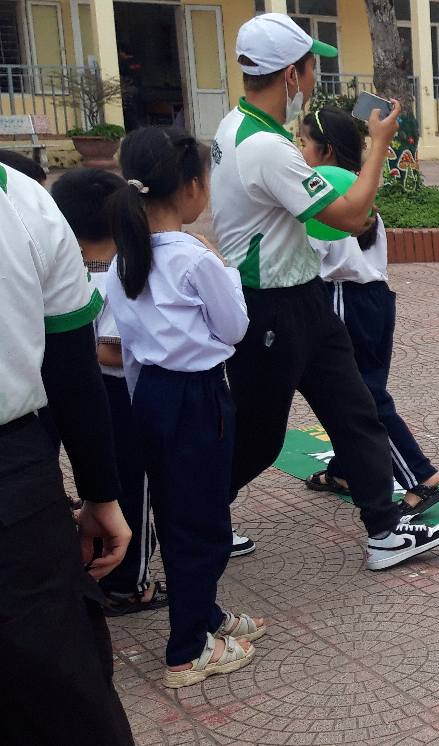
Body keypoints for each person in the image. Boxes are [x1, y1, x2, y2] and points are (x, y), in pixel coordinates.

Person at [212, 12, 439, 571]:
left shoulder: (237, 127)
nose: (313, 77)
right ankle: (197, 516)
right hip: (270, 307)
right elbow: (350, 215)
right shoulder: (265, 147)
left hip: (305, 298)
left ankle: (384, 530)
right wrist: (379, 146)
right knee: (258, 437)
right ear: (290, 75)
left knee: (355, 410)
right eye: (310, 67)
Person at [100, 127, 264, 688]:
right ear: (192, 186)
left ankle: (204, 613)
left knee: (177, 514)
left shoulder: (125, 258)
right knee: (203, 520)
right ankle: (187, 649)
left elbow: (129, 346)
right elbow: (235, 328)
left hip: (151, 395)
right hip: (196, 398)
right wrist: (223, 267)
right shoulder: (194, 258)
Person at [0, 159, 135, 742]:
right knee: (59, 685)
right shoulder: (21, 200)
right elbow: (72, 371)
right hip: (13, 480)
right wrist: (100, 494)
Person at [297, 107, 439, 517]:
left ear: (326, 151)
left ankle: (420, 476)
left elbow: (313, 256)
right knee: (348, 393)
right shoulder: (361, 189)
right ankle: (346, 469)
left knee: (361, 397)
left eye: (303, 142)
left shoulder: (327, 196)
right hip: (376, 299)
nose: (298, 150)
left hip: (345, 299)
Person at [52, 168, 169, 616]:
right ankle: (128, 584)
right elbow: (116, 351)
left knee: (101, 484)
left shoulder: (68, 275)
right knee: (130, 487)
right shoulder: (119, 277)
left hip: (77, 395)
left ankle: (101, 565)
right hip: (119, 396)